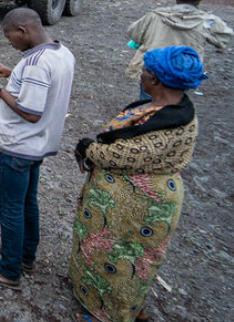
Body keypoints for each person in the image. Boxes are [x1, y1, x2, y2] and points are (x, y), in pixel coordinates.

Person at [70, 46, 203, 322]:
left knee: (125, 261)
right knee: (106, 252)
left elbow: (120, 155)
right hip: (120, 204)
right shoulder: (168, 108)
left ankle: (110, 315)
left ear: (154, 79)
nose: (139, 74)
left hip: (139, 205)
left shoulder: (169, 125)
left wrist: (87, 148)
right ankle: (98, 300)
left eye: (143, 70)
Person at [0, 8, 76, 289]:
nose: (9, 42)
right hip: (39, 145)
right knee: (28, 200)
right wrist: (12, 72)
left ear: (23, 30)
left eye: (9, 36)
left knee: (11, 206)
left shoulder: (36, 64)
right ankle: (25, 254)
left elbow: (30, 111)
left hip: (18, 146)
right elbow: (42, 85)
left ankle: (9, 269)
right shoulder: (61, 53)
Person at [125, 0, 231, 100]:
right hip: (182, 71)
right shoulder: (207, 21)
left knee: (148, 105)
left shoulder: (156, 16)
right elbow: (224, 38)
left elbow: (134, 33)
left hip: (153, 69)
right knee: (175, 102)